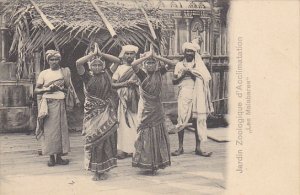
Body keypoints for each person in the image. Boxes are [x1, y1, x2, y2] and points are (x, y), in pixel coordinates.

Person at [76, 43, 120, 181]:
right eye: (94, 65)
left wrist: (101, 55)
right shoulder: (86, 77)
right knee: (93, 140)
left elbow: (118, 61)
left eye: (99, 65)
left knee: (106, 139)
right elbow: (78, 62)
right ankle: (95, 170)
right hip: (92, 113)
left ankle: (104, 168)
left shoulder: (108, 74)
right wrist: (93, 54)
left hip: (106, 111)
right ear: (90, 66)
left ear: (103, 66)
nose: (96, 67)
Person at [131, 50, 176, 175]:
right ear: (144, 64)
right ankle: (145, 162)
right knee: (144, 134)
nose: (150, 65)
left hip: (157, 108)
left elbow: (172, 63)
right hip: (145, 108)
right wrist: (145, 57)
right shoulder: (141, 74)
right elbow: (133, 65)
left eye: (152, 63)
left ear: (156, 64)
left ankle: (156, 163)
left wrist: (156, 56)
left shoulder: (158, 73)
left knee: (157, 134)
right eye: (147, 63)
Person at [35, 50, 77, 166]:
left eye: (56, 59)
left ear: (59, 60)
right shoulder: (44, 73)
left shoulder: (64, 72)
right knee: (49, 131)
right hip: (48, 104)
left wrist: (59, 89)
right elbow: (36, 90)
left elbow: (68, 90)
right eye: (51, 59)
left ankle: (59, 157)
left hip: (60, 103)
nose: (54, 62)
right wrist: (48, 89)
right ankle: (51, 157)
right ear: (48, 61)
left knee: (61, 130)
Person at [171, 42, 214, 157]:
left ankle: (198, 148)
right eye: (187, 51)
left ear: (195, 53)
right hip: (184, 94)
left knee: (197, 120)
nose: (189, 53)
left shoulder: (199, 65)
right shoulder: (179, 65)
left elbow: (205, 79)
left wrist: (194, 73)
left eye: (192, 51)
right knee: (181, 119)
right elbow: (174, 82)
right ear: (184, 52)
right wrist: (183, 74)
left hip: (197, 94)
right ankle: (180, 148)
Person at [112, 45, 140, 159]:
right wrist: (125, 84)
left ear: (135, 55)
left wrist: (136, 85)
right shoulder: (120, 68)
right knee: (123, 123)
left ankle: (135, 148)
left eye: (131, 54)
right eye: (127, 54)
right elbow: (113, 84)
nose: (129, 56)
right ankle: (123, 149)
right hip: (122, 100)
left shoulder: (139, 67)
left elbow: (144, 82)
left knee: (135, 122)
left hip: (136, 99)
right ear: (124, 55)